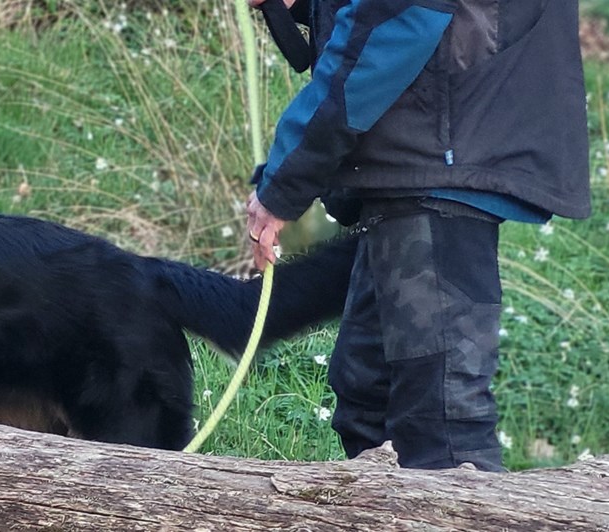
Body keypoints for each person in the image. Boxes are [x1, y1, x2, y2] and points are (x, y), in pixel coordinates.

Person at [242, 0, 591, 471]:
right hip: (416, 162)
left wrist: (284, 184)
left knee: (442, 428)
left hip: (436, 159)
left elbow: (394, 25)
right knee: (370, 399)